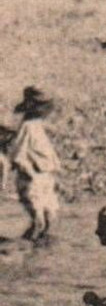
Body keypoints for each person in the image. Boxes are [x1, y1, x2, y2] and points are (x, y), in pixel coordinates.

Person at [9, 86, 60, 242]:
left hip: (45, 178)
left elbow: (47, 154)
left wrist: (54, 173)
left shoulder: (37, 125)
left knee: (50, 218)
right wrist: (29, 172)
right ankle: (29, 248)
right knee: (39, 221)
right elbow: (17, 155)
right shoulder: (27, 127)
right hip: (33, 179)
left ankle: (37, 247)